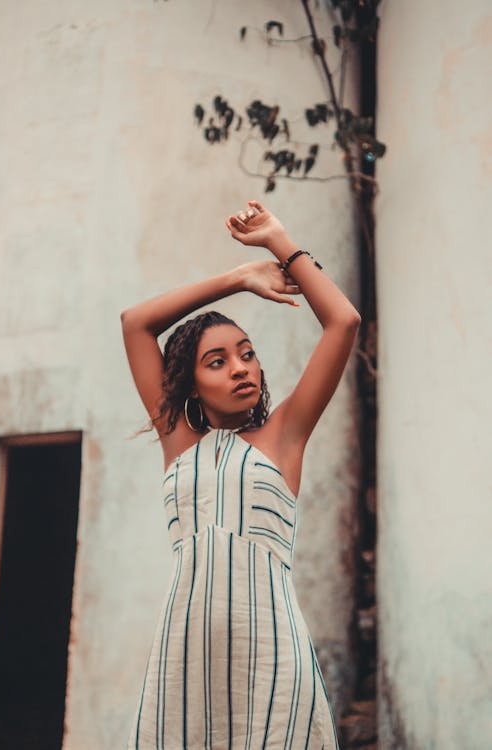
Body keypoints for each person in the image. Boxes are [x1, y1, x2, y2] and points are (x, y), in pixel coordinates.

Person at [120, 199, 361, 749]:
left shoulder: (284, 436)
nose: (240, 368)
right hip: (184, 655)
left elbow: (343, 320)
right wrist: (238, 278)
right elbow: (136, 323)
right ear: (190, 383)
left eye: (247, 354)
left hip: (271, 653)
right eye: (218, 361)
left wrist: (279, 242)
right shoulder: (178, 441)